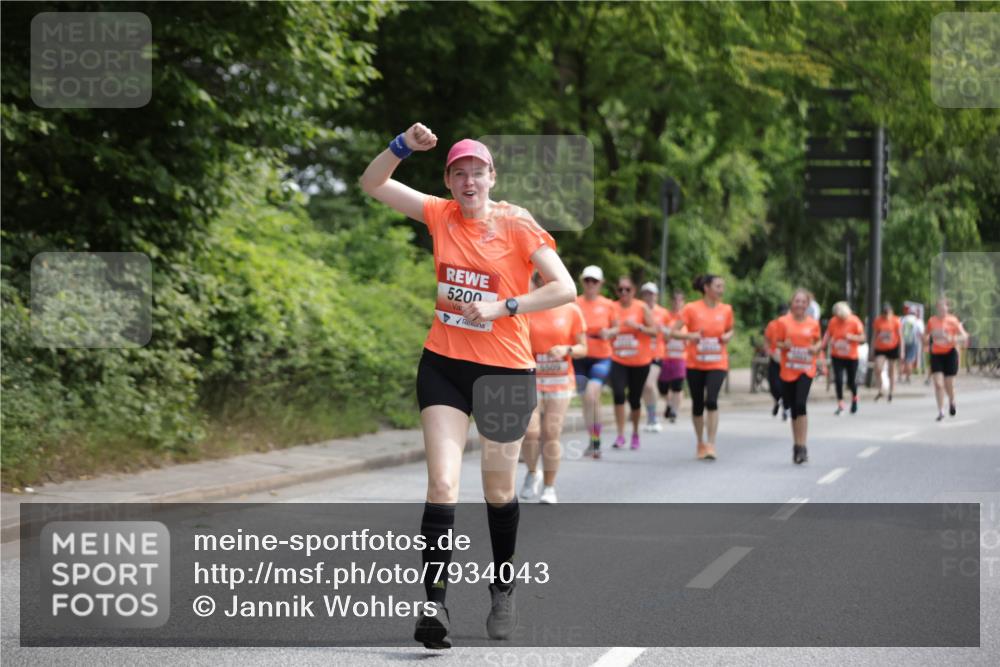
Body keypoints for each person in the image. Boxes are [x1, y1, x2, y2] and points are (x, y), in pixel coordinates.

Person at [360, 124, 576, 649]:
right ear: (449, 181)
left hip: (505, 371)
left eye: (478, 172)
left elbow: (564, 288)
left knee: (498, 491)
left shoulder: (517, 224)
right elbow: (373, 184)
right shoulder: (439, 214)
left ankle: (502, 586)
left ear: (492, 177)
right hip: (444, 365)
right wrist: (401, 146)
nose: (469, 181)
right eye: (459, 173)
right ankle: (434, 604)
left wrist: (504, 306)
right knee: (441, 486)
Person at [520, 271, 587, 504]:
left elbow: (583, 348)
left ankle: (549, 487)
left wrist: (566, 350)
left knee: (551, 432)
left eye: (552, 281)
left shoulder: (571, 310)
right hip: (532, 377)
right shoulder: (526, 307)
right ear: (537, 283)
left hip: (560, 379)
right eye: (543, 281)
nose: (548, 285)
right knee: (530, 432)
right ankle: (532, 473)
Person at [672, 274, 734, 461]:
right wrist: (690, 336)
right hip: (695, 363)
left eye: (722, 286)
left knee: (712, 400)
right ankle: (700, 442)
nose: (721, 290)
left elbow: (730, 329)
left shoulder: (726, 309)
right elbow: (673, 331)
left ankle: (711, 444)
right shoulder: (691, 308)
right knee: (698, 404)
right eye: (717, 286)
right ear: (706, 288)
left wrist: (728, 336)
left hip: (717, 362)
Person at [608, 276, 657, 450]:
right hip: (618, 359)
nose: (623, 293)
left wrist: (638, 326)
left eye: (627, 289)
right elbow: (606, 328)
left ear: (633, 291)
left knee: (634, 398)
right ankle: (620, 434)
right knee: (619, 395)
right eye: (620, 289)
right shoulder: (612, 307)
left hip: (640, 361)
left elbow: (655, 331)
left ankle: (635, 432)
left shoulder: (641, 307)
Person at [775, 288, 822, 464]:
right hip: (788, 369)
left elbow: (818, 343)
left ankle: (803, 446)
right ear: (791, 303)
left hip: (806, 369)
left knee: (801, 404)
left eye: (803, 302)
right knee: (793, 408)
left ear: (807, 305)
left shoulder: (813, 324)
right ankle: (796, 445)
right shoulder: (783, 322)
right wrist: (784, 344)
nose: (800, 304)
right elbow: (776, 342)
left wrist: (815, 349)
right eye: (797, 301)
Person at [574, 265, 616, 459]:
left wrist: (609, 332)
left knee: (592, 394)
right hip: (580, 358)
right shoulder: (574, 303)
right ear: (582, 282)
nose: (590, 284)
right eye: (587, 280)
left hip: (601, 356)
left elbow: (617, 328)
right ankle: (592, 439)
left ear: (601, 284)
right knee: (587, 400)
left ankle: (597, 440)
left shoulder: (608, 305)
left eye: (594, 281)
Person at [924, 297, 968, 421]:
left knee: (949, 384)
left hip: (950, 354)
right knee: (938, 384)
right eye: (939, 307)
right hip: (936, 354)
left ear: (947, 308)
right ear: (937, 308)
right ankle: (940, 411)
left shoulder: (953, 321)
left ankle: (952, 401)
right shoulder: (932, 321)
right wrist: (927, 339)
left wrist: (953, 339)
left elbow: (964, 336)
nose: (942, 309)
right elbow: (926, 335)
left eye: (944, 307)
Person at [824, 301, 866, 415]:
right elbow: (828, 334)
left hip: (851, 356)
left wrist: (852, 337)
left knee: (851, 381)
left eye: (841, 316)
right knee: (838, 379)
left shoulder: (854, 320)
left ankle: (854, 399)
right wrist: (823, 345)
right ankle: (840, 404)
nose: (839, 319)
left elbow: (863, 338)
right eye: (837, 316)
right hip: (837, 355)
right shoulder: (833, 321)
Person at [640, 282, 670, 432]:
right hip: (641, 354)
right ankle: (650, 416)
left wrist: (664, 331)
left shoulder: (663, 312)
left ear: (656, 295)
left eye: (652, 294)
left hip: (657, 353)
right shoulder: (639, 310)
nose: (649, 297)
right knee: (647, 387)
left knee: (649, 384)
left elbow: (670, 333)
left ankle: (654, 417)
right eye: (646, 293)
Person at [658, 289, 688, 423]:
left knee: (677, 386)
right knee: (662, 387)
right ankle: (669, 404)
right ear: (671, 302)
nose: (677, 303)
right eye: (675, 300)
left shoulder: (687, 318)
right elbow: (662, 335)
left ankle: (674, 411)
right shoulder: (667, 317)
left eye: (680, 300)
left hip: (681, 357)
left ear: (683, 302)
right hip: (666, 356)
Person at [872, 302, 904, 402]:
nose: (886, 315)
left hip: (893, 347)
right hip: (880, 347)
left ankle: (891, 391)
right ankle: (880, 389)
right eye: (884, 313)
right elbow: (874, 335)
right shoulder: (878, 321)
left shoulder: (896, 320)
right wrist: (871, 349)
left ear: (891, 312)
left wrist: (902, 350)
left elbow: (900, 336)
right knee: (878, 368)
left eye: (888, 313)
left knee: (891, 369)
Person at [764, 305, 789, 421]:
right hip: (774, 358)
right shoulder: (772, 325)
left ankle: (784, 407)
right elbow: (767, 340)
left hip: (787, 360)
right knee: (773, 385)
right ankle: (777, 401)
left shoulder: (792, 325)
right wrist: (768, 351)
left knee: (784, 385)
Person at [900, 304, 925, 383]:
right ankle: (908, 377)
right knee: (909, 360)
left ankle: (900, 376)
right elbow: (921, 333)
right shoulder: (917, 321)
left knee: (902, 359)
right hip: (913, 341)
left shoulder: (903, 319)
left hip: (903, 341)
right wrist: (923, 342)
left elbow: (899, 330)